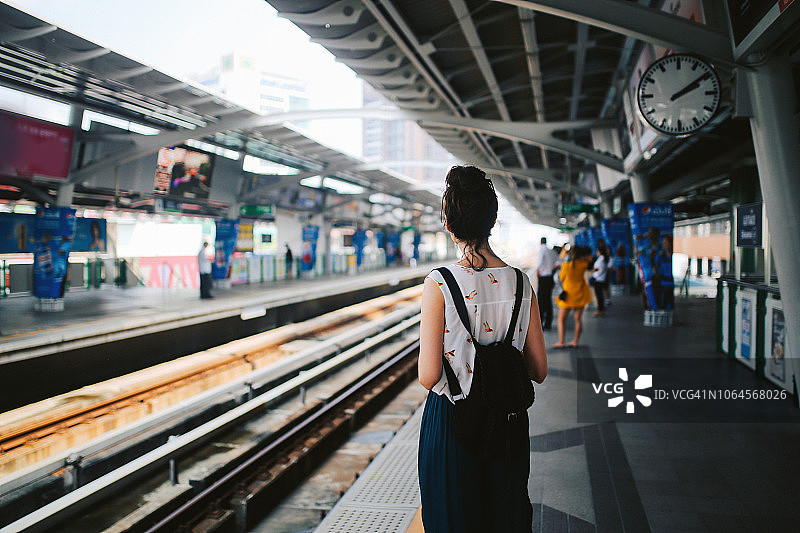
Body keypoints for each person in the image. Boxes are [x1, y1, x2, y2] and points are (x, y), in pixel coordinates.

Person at [417, 165, 547, 533]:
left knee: (455, 518)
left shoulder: (439, 284)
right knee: (505, 514)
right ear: (492, 221)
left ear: (449, 223)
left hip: (454, 421)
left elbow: (429, 377)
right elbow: (539, 370)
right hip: (507, 419)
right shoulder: (521, 281)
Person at [554, 245, 593, 347]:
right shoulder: (584, 264)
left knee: (561, 319)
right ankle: (575, 341)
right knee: (577, 320)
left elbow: (561, 278)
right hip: (580, 294)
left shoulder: (566, 266)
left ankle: (561, 342)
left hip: (568, 296)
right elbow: (589, 261)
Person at [536, 236, 559, 330]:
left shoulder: (542, 250)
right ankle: (548, 323)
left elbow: (539, 264)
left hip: (543, 278)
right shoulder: (551, 251)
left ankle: (540, 322)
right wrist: (551, 271)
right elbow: (557, 263)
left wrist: (538, 276)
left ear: (540, 243)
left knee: (541, 301)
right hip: (550, 278)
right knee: (548, 300)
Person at [592, 242, 610, 317]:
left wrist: (594, 272)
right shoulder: (603, 259)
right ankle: (601, 309)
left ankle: (600, 310)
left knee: (599, 296)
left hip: (598, 279)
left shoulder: (601, 260)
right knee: (600, 295)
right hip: (600, 279)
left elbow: (597, 269)